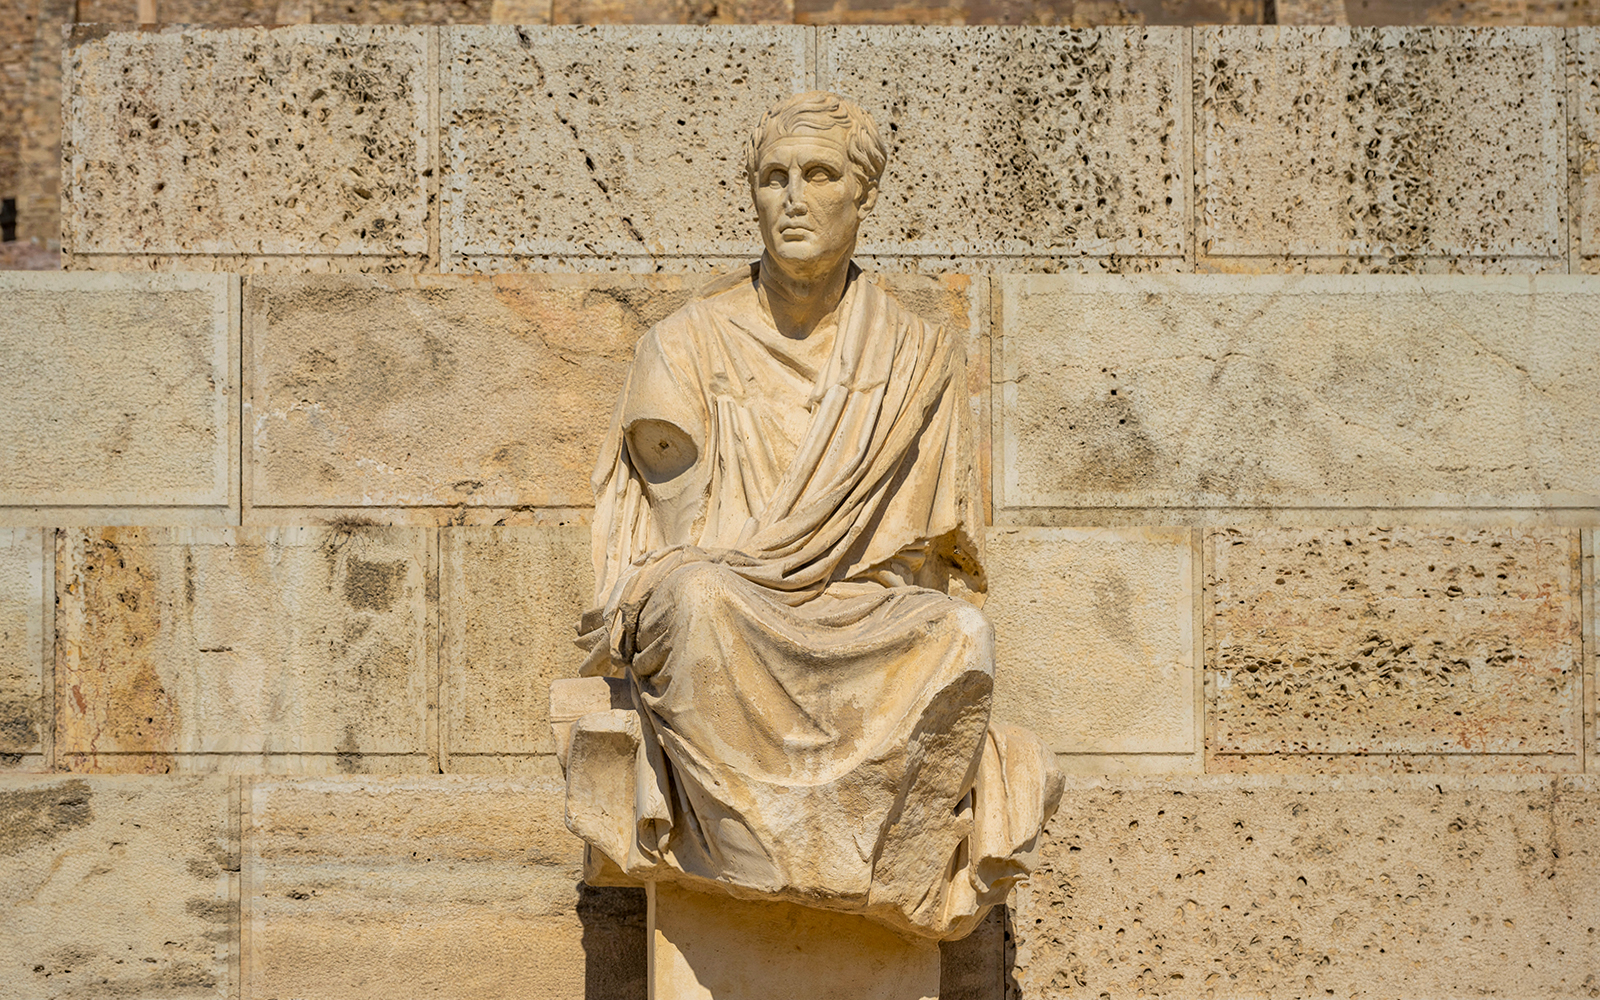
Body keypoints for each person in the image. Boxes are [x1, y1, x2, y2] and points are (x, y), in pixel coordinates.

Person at [559, 91, 1061, 941]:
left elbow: (921, 558)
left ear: (861, 196)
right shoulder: (684, 345)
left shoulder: (912, 354)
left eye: (818, 175)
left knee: (957, 637)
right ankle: (750, 845)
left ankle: (877, 849)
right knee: (696, 600)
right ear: (751, 195)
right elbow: (677, 546)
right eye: (773, 177)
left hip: (856, 609)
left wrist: (856, 599)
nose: (792, 197)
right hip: (734, 603)